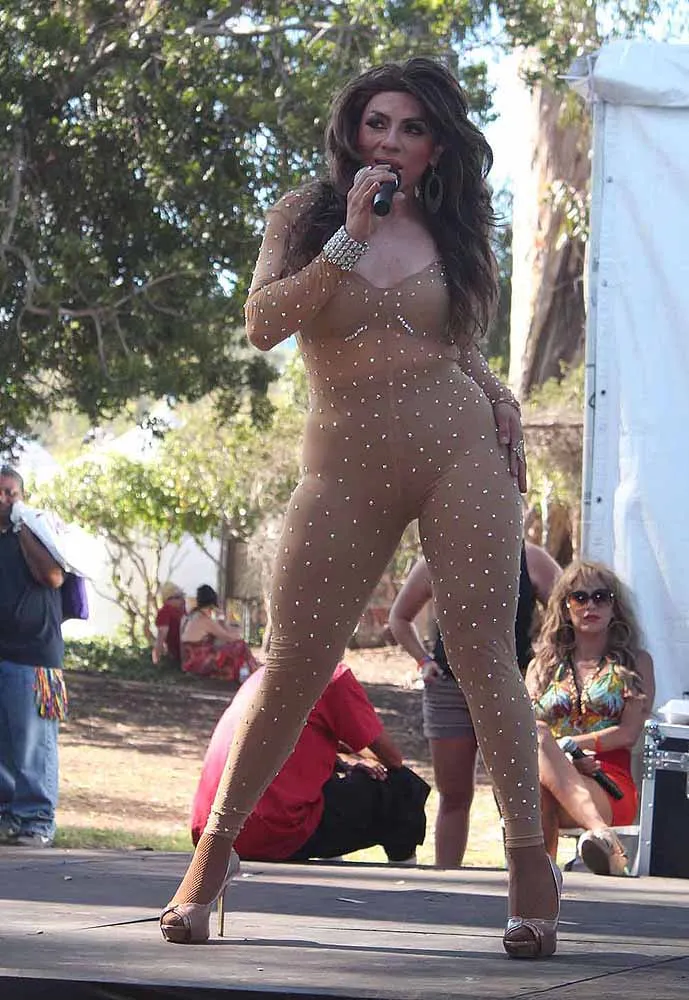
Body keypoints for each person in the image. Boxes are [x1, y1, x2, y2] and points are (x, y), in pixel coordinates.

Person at [160, 57, 561, 959]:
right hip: (342, 468)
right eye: (377, 123)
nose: (390, 141)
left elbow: (454, 348)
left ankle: (529, 864)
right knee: (295, 663)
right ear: (352, 131)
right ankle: (212, 859)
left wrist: (500, 396)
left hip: (461, 453)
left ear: (435, 149)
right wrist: (346, 238)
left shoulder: (456, 232)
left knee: (481, 653)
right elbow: (264, 324)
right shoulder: (304, 216)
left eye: (412, 129)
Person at [389, 541, 562, 867]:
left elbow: (569, 613)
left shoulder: (531, 559)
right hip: (449, 689)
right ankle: (447, 881)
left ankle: (528, 878)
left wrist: (542, 665)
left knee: (516, 796)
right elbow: (399, 617)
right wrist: (423, 660)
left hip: (508, 685)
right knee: (454, 795)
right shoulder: (439, 556)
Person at [191, 662, 429, 863]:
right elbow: (392, 758)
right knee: (402, 787)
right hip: (270, 832)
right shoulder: (330, 675)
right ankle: (405, 881)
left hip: (212, 832)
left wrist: (345, 758)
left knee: (330, 778)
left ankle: (329, 865)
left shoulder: (263, 673)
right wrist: (359, 755)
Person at [525, 560, 655, 876]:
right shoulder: (541, 666)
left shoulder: (636, 663)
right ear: (565, 606)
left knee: (539, 757)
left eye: (601, 597)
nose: (590, 606)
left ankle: (539, 879)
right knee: (537, 779)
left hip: (608, 782)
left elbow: (628, 734)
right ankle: (596, 841)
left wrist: (565, 747)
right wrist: (563, 758)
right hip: (547, 781)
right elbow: (523, 732)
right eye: (579, 598)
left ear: (615, 606)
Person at [0, 465, 66, 847]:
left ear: (22, 498)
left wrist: (23, 525)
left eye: (11, 493)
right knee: (6, 745)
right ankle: (10, 815)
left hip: (35, 657)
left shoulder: (38, 532)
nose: (4, 500)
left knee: (34, 744)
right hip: (4, 652)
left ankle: (38, 819)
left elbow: (53, 577)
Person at [180, 585, 258, 684]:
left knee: (229, 649)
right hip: (200, 662)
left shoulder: (190, 616)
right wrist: (225, 622)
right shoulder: (204, 620)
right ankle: (254, 673)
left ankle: (246, 673)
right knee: (241, 645)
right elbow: (228, 637)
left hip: (188, 662)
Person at [152, 581, 186, 667]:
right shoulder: (165, 612)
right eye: (179, 597)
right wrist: (156, 659)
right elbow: (161, 635)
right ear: (169, 599)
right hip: (179, 657)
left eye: (182, 596)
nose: (183, 600)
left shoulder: (182, 611)